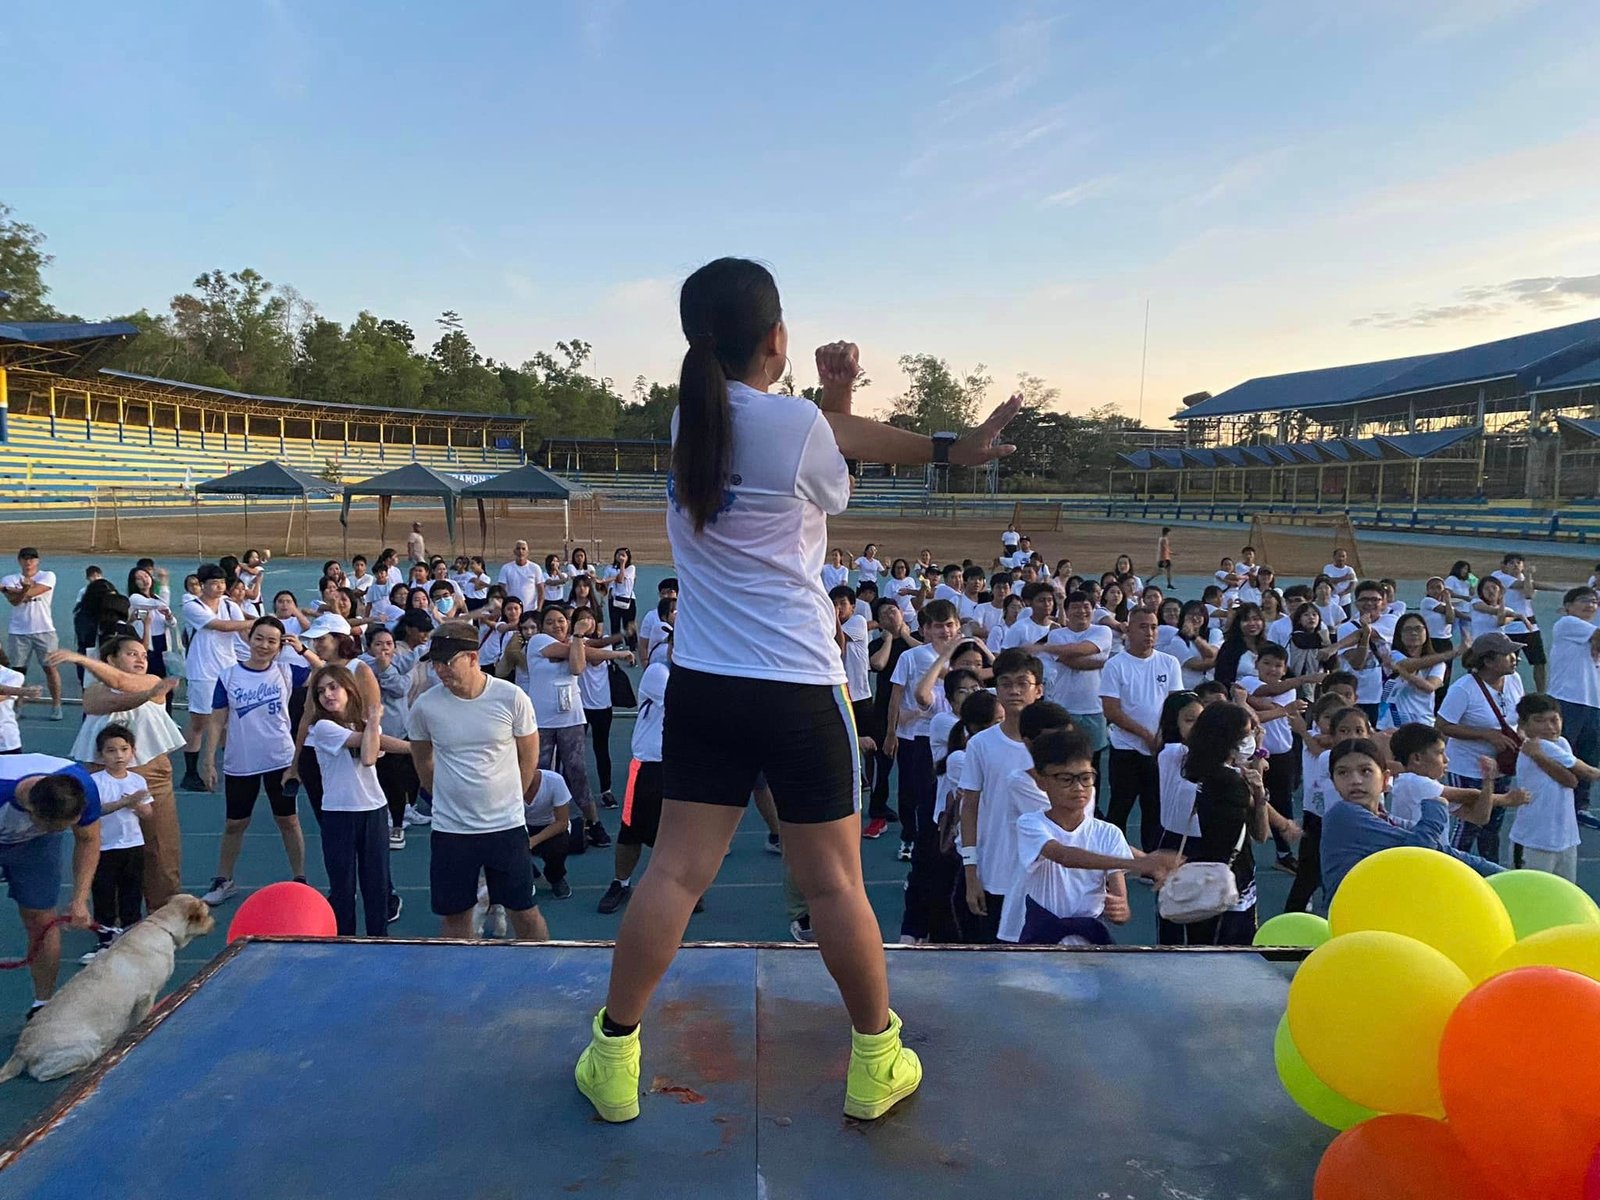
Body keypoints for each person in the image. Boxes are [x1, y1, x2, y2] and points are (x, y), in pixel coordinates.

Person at [574, 258, 1020, 1127]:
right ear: (776, 337)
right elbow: (842, 462)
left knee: (672, 873)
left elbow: (821, 449)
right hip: (797, 687)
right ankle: (876, 1061)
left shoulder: (689, 419)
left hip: (706, 684)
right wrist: (950, 447)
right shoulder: (796, 425)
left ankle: (614, 1058)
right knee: (834, 885)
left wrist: (833, 398)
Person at [408, 620, 548, 941]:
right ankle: (456, 974)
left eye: (447, 662)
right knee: (455, 916)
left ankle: (541, 968)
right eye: (435, 663)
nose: (440, 670)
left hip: (506, 827)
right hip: (451, 831)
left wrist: (511, 798)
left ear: (473, 658)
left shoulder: (511, 698)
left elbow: (528, 756)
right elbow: (422, 760)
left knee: (524, 912)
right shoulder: (426, 707)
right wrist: (444, 798)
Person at [1003, 728, 1180, 945]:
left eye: (1086, 778)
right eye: (1066, 779)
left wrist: (1120, 910)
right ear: (1041, 781)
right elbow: (1064, 856)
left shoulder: (1109, 833)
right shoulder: (1031, 824)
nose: (1078, 787)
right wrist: (1137, 863)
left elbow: (1121, 905)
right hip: (1042, 942)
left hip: (1091, 945)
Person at [54, 638, 185, 909]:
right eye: (131, 654)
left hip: (151, 773)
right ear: (111, 659)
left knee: (160, 847)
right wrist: (85, 661)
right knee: (101, 844)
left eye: (143, 655)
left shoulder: (151, 681)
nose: (140, 659)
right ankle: (106, 915)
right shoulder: (94, 692)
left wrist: (81, 659)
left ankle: (163, 911)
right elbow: (113, 696)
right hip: (101, 774)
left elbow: (125, 683)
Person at [199, 616, 310, 905]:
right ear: (249, 638)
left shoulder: (287, 671)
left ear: (280, 645)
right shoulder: (229, 676)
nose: (264, 645)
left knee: (288, 820)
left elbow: (326, 673)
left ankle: (300, 878)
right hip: (242, 760)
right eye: (259, 638)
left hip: (280, 759)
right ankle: (224, 879)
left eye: (272, 641)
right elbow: (217, 720)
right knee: (235, 823)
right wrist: (208, 760)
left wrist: (301, 649)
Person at [496, 604, 610, 850]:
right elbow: (579, 659)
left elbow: (578, 666)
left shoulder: (575, 644)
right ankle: (526, 823)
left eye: (561, 621)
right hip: (541, 721)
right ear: (542, 627)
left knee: (577, 771)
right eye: (550, 622)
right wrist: (586, 640)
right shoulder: (538, 641)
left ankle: (593, 822)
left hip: (571, 719)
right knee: (536, 770)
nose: (556, 625)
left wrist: (579, 640)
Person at [306, 664, 408, 936]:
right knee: (343, 886)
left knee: (377, 883)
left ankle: (378, 938)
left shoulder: (363, 725)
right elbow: (368, 756)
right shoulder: (323, 727)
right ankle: (345, 940)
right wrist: (374, 720)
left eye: (333, 687)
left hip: (373, 810)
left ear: (348, 690)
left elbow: (378, 743)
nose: (328, 695)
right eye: (321, 691)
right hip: (339, 814)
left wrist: (416, 748)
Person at [0, 752, 100, 1019]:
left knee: (42, 920)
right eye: (56, 828)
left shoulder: (81, 787)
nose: (62, 832)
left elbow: (88, 840)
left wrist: (79, 900)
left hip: (33, 846)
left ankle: (42, 1004)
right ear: (31, 811)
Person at [1175, 702, 1270, 945]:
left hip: (1203, 875)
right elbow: (1261, 833)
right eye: (1246, 734)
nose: (1250, 739)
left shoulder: (1203, 774)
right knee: (1232, 950)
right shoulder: (1231, 783)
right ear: (1229, 739)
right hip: (1232, 878)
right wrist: (1259, 793)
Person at [1436, 632, 1525, 865]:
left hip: (1501, 766)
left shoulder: (1514, 680)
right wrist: (1485, 734)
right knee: (1468, 825)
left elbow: (1519, 717)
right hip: (1468, 768)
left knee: (1493, 826)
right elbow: (1443, 725)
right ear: (1488, 661)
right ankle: (1450, 867)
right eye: (1508, 654)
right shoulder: (1463, 689)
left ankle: (1491, 870)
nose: (1515, 658)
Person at [1099, 608, 1184, 853]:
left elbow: (1175, 705)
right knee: (1120, 806)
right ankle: (1113, 858)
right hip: (1126, 748)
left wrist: (1162, 737)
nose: (1149, 632)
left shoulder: (1169, 663)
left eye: (1154, 627)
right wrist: (1146, 735)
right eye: (1143, 626)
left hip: (1159, 750)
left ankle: (1151, 861)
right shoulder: (1116, 665)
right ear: (1129, 629)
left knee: (1155, 808)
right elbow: (1111, 710)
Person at [598, 632, 671, 915]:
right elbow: (686, 703)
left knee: (679, 832)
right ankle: (621, 883)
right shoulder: (657, 672)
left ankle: (679, 888)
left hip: (683, 768)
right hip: (648, 765)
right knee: (631, 831)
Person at [79, 724, 152, 962]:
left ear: (132, 751)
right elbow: (95, 810)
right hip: (104, 847)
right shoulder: (96, 782)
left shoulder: (138, 780)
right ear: (101, 755)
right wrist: (124, 803)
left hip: (133, 845)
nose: (119, 756)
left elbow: (148, 812)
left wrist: (137, 804)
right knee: (104, 894)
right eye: (111, 751)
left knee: (132, 892)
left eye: (124, 749)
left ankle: (131, 938)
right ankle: (105, 940)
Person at [178, 564, 254, 792]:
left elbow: (243, 633)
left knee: (228, 720)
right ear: (202, 585)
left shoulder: (230, 605)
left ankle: (230, 766)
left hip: (228, 668)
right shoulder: (192, 606)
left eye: (222, 583)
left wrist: (260, 645)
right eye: (214, 583)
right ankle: (190, 773)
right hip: (202, 671)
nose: (220, 587)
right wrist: (255, 622)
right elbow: (220, 626)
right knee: (200, 722)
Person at [1512, 694, 1600, 881]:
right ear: (1524, 724)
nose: (1550, 727)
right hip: (1534, 841)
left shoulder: (1561, 743)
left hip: (1565, 839)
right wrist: (1540, 756)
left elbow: (1571, 781)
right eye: (1539, 721)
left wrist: (1540, 758)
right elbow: (1588, 773)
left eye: (1554, 720)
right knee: (1531, 894)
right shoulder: (1540, 745)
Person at [572, 606, 635, 810]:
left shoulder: (604, 642)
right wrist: (622, 638)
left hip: (603, 705)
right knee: (574, 751)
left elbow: (599, 651)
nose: (587, 623)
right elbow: (593, 651)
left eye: (590, 619)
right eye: (582, 620)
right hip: (580, 706)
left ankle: (606, 791)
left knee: (602, 749)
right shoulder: (576, 642)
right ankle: (573, 790)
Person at [1545, 587, 1600, 812]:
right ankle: (1555, 803)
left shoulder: (1590, 634)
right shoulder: (1567, 624)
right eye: (1584, 600)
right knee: (1563, 754)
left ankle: (1579, 807)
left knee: (1589, 755)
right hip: (1567, 700)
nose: (1590, 605)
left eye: (1594, 602)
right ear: (1567, 606)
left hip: (1594, 703)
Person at [2, 548, 63, 720]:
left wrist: (11, 590)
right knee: (18, 672)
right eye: (25, 559)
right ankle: (18, 707)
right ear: (19, 561)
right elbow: (15, 602)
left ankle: (56, 705)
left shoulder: (48, 576)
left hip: (44, 630)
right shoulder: (9, 579)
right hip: (18, 632)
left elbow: (33, 592)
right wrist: (21, 591)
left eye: (32, 559)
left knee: (50, 668)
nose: (28, 562)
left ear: (37, 561)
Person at [1491, 553, 1546, 692]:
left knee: (1539, 662)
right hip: (1510, 627)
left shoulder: (1526, 578)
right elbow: (1524, 588)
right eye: (1511, 563)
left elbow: (1529, 594)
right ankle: (1502, 690)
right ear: (1505, 566)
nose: (1515, 565)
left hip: (1530, 627)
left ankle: (1541, 692)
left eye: (1518, 562)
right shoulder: (1499, 577)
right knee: (1505, 663)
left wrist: (1527, 577)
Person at [600, 548, 638, 643]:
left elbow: (620, 579)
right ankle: (616, 644)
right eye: (618, 554)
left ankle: (632, 644)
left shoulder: (631, 568)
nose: (620, 557)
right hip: (613, 599)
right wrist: (602, 597)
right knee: (615, 623)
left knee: (628, 623)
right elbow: (604, 584)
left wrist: (622, 564)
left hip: (628, 599)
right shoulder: (609, 568)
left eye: (623, 555)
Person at [497, 541, 545, 608]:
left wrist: (539, 610)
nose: (520, 551)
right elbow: (500, 590)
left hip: (530, 609)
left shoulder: (535, 568)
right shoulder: (506, 568)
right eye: (518, 548)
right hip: (512, 609)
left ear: (527, 552)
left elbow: (541, 592)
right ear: (514, 551)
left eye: (523, 549)